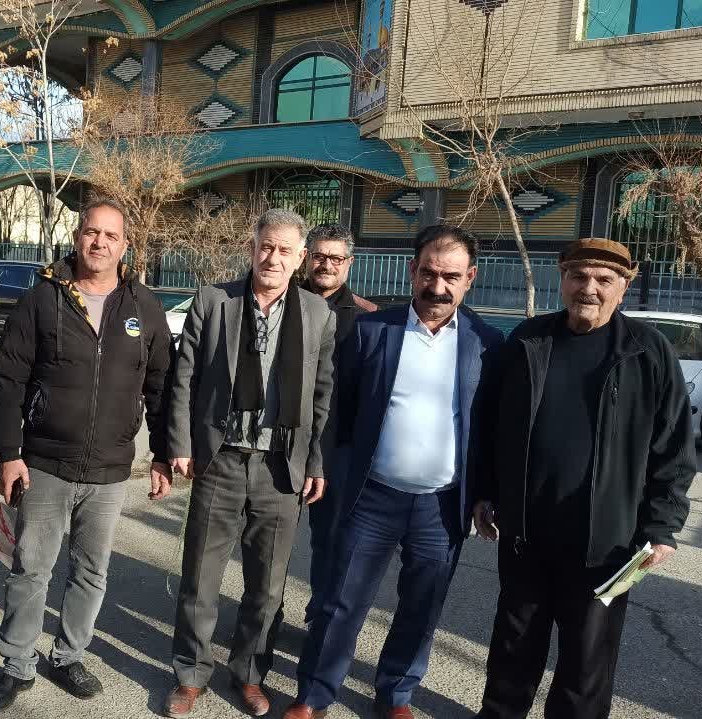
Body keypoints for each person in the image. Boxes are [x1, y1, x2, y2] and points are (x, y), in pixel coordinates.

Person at [285, 224, 503, 719]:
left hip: (441, 505)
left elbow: (491, 430)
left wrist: (486, 493)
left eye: (451, 276)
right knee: (340, 601)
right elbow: (336, 411)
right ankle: (314, 695)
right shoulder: (372, 331)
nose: (437, 286)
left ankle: (395, 695)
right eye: (428, 273)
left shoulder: (487, 344)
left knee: (421, 608)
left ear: (470, 278)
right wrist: (327, 470)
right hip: (371, 497)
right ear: (412, 271)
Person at [471, 238, 695, 719]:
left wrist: (662, 525)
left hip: (606, 543)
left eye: (603, 280)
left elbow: (674, 448)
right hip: (527, 534)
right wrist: (485, 492)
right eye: (578, 276)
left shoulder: (647, 351)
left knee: (586, 661)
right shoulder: (530, 340)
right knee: (513, 647)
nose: (588, 288)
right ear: (562, 279)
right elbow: (492, 424)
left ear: (623, 287)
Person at [0, 198, 174, 715]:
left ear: (125, 245)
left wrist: (164, 453)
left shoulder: (144, 306)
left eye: (111, 235)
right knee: (30, 569)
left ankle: (68, 657)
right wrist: (9, 453)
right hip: (45, 462)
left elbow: (160, 386)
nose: (99, 242)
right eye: (91, 232)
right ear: (78, 236)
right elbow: (9, 379)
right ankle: (16, 664)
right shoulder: (43, 298)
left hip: (110, 469)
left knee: (91, 572)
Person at [165, 208, 335, 718]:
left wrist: (315, 462)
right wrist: (179, 443)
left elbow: (322, 396)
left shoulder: (318, 314)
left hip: (280, 469)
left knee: (267, 586)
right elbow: (184, 377)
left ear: (300, 258)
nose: (273, 258)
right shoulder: (214, 301)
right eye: (266, 246)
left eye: (285, 250)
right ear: (252, 247)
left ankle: (250, 674)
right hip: (220, 459)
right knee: (200, 577)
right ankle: (191, 674)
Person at [301, 222, 377, 623]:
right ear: (306, 258)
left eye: (335, 258)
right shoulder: (281, 303)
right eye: (319, 256)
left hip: (338, 449)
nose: (326, 265)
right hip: (280, 442)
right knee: (267, 540)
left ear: (349, 263)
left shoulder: (368, 318)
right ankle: (263, 618)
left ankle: (320, 618)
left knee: (330, 541)